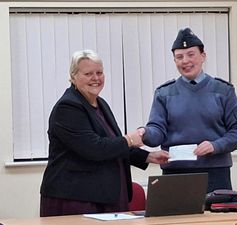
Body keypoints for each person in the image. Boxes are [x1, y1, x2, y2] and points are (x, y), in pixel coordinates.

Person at [40, 49, 169, 217]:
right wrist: (130, 139)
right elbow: (95, 148)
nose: (96, 78)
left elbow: (111, 143)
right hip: (76, 199)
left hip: (104, 197)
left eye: (99, 72)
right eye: (88, 73)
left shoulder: (100, 104)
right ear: (73, 77)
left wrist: (147, 157)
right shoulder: (68, 107)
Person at [138, 28, 237, 193]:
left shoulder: (223, 90)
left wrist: (215, 145)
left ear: (203, 56)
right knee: (175, 218)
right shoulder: (164, 93)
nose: (185, 61)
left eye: (191, 54)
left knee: (214, 218)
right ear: (174, 60)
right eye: (179, 57)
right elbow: (157, 130)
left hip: (215, 172)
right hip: (175, 172)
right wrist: (144, 133)